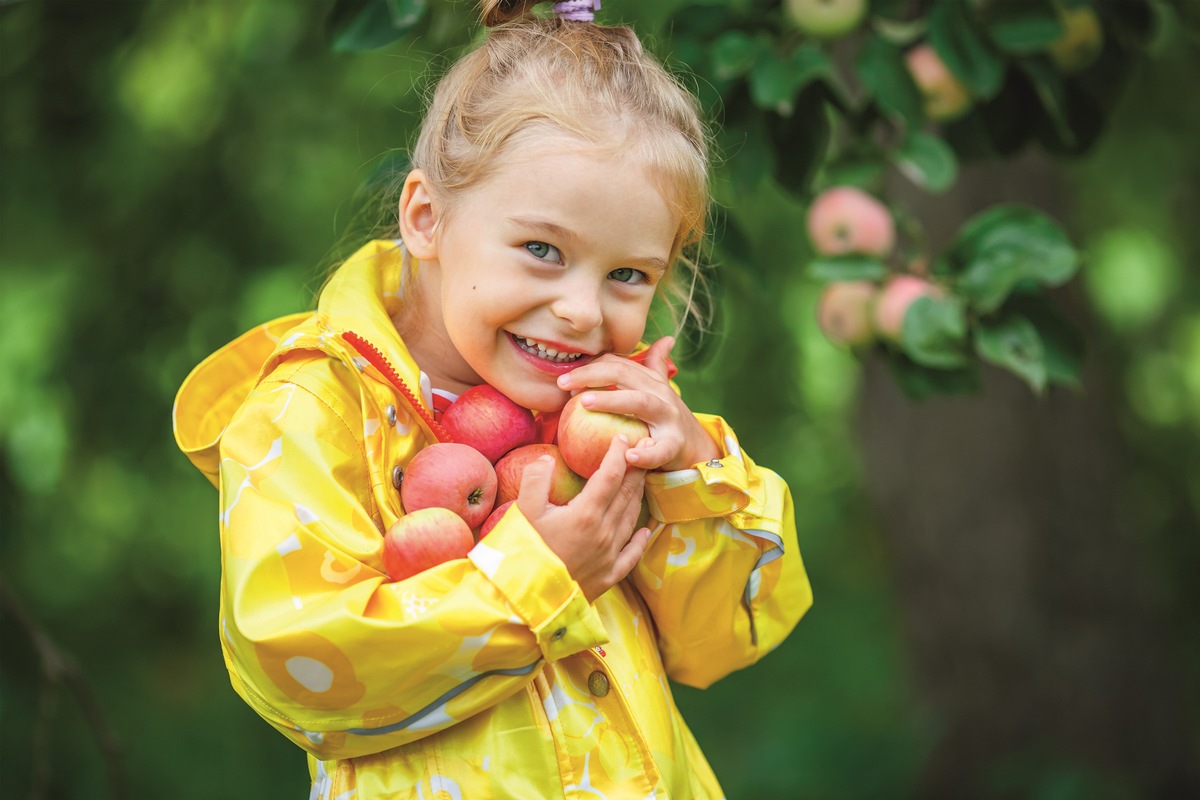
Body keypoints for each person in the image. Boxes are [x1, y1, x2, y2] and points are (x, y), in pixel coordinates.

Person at [173, 1, 813, 797]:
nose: (583, 309)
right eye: (543, 250)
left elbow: (723, 639)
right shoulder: (316, 411)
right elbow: (296, 666)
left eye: (628, 275)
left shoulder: (605, 411)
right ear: (427, 217)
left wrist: (696, 470)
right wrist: (536, 577)